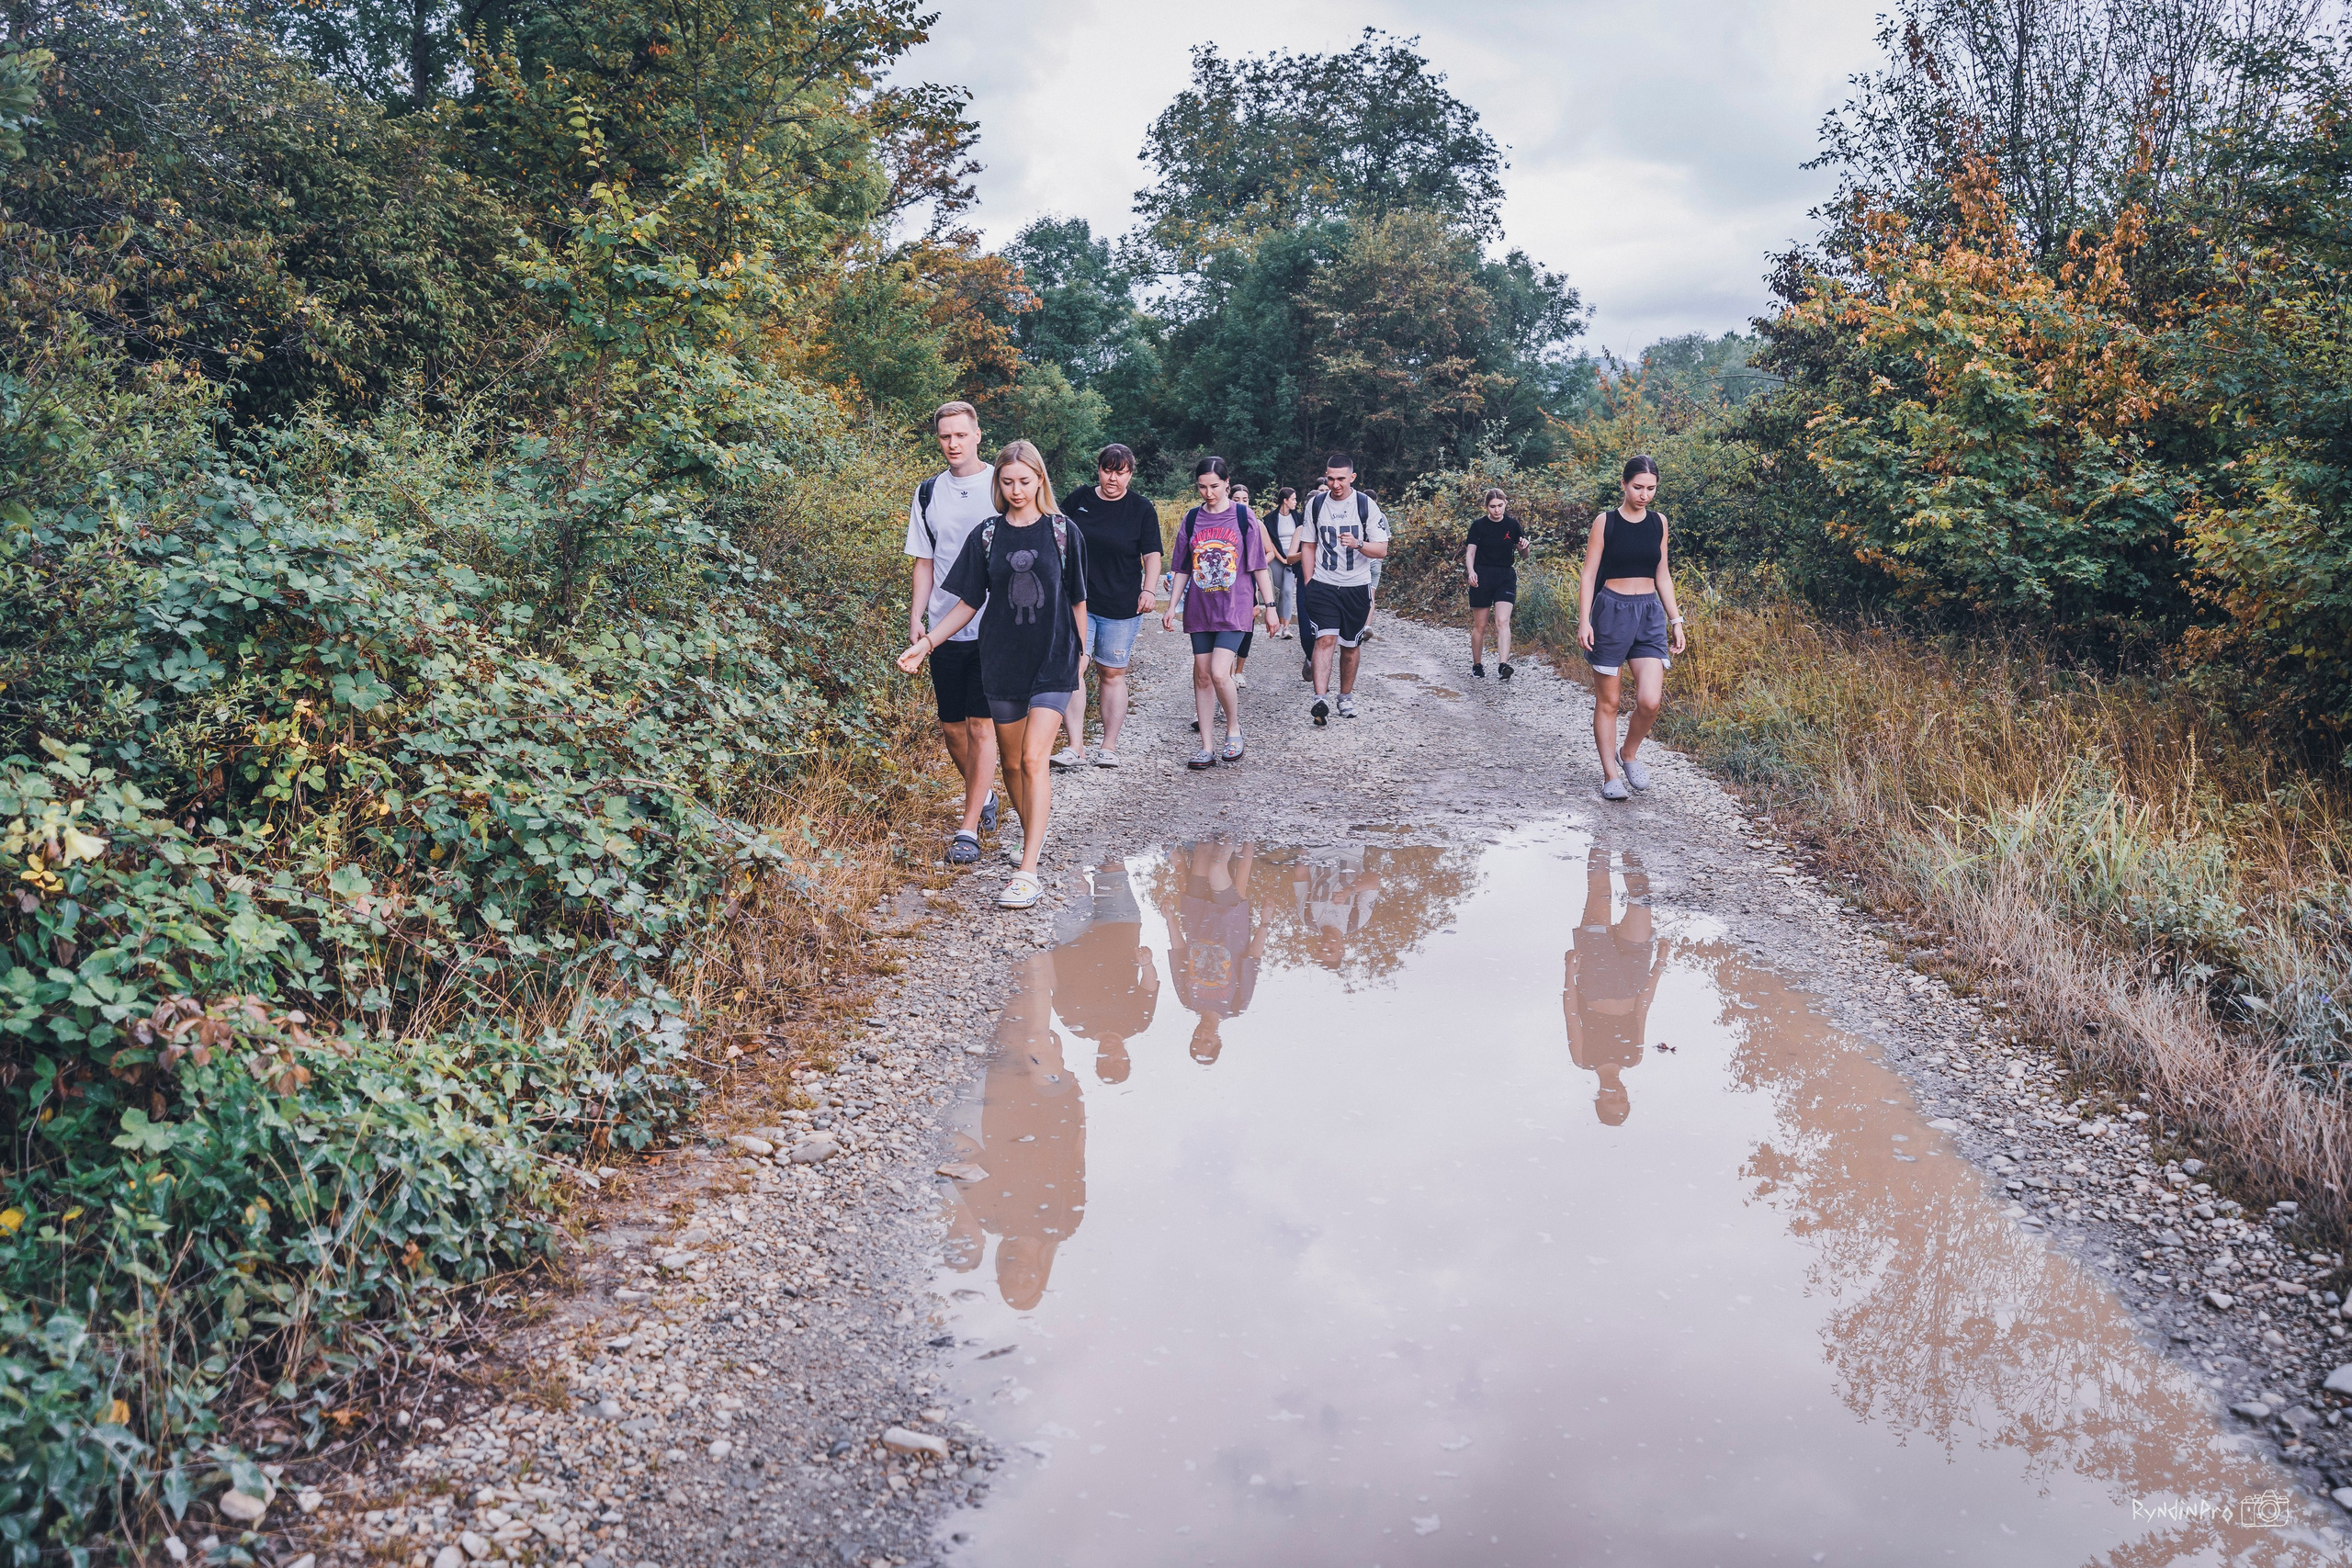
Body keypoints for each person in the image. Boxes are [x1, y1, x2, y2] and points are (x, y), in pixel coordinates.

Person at [896, 440, 1088, 908]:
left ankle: (1028, 870)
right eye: (1007, 482)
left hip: (1052, 658)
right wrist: (926, 644)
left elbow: (1078, 598)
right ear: (997, 485)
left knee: (1035, 757)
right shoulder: (987, 535)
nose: (1017, 490)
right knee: (1012, 763)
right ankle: (1033, 840)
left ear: (1040, 480)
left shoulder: (1063, 532)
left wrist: (1081, 656)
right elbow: (966, 603)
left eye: (1025, 481)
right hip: (1001, 659)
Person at [903, 401, 1002, 866]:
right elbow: (925, 560)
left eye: (961, 435)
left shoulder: (1003, 483)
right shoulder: (928, 493)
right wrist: (917, 618)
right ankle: (982, 796)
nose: (953, 444)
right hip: (944, 627)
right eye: (945, 437)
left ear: (978, 434)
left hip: (995, 626)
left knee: (983, 726)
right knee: (952, 729)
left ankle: (967, 830)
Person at [1577, 455, 1688, 800]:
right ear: (1624, 485)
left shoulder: (1659, 523)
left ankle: (1628, 754)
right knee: (1608, 701)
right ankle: (1610, 775)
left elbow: (1663, 574)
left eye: (1651, 488)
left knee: (1650, 701)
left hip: (1649, 614)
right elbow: (1589, 574)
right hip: (1611, 611)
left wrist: (1676, 620)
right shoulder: (1605, 522)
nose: (1644, 495)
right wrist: (1584, 619)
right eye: (1638, 487)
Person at [1164, 457, 1281, 768]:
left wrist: (1270, 608)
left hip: (1235, 607)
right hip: (1200, 609)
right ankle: (1206, 746)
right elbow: (1181, 569)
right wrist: (1172, 607)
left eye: (1214, 486)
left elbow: (1258, 566)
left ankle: (1233, 728)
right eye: (1202, 487)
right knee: (1202, 676)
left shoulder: (1244, 517)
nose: (1208, 493)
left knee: (1219, 672)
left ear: (1227, 483)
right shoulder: (1191, 520)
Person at [1056, 444, 1161, 771]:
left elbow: (1152, 556)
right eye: (1107, 470)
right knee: (1074, 667)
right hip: (1078, 600)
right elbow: (1054, 535)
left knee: (1111, 673)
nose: (1112, 478)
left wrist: (1149, 590)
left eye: (1121, 472)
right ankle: (1075, 746)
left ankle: (1109, 746)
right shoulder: (1079, 500)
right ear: (1098, 469)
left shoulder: (1141, 508)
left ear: (1130, 474)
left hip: (1122, 603)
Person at [1563, 845, 1667, 1125]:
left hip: (1595, 978)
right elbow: (1642, 1009)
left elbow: (1571, 1014)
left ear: (1598, 1098)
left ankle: (1603, 833)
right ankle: (1631, 837)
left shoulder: (1583, 1059)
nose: (1617, 1095)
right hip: (1634, 978)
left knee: (1600, 894)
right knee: (1642, 897)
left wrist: (1569, 974)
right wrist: (1659, 965)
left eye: (1611, 1101)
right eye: (1623, 1099)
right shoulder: (1634, 1058)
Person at [1297, 452, 1389, 725]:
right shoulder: (1315, 505)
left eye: (1340, 479)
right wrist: (1308, 582)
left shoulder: (1366, 506)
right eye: (1330, 478)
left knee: (1350, 646)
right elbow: (1308, 544)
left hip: (1357, 586)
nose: (1335, 484)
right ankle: (1319, 700)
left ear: (1352, 477)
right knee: (1325, 639)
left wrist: (1358, 544)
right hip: (1324, 584)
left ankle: (1345, 697)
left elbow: (1381, 550)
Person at [1050, 854, 1159, 1084]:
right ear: (1127, 1056)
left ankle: (1063, 834)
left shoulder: (1076, 1026)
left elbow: (1053, 984)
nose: (1111, 1054)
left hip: (1073, 937)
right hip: (1119, 926)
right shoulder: (1138, 1022)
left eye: (1105, 1060)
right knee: (1110, 862)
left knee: (1074, 881)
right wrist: (1147, 965)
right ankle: (1100, 826)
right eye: (1118, 1059)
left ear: (1097, 1058)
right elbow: (1149, 988)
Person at [1166, 838, 1272, 1066]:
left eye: (1196, 1039)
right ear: (1218, 1041)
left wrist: (1170, 920)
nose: (1202, 1034)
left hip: (1196, 916)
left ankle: (1232, 839)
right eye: (1207, 1041)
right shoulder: (1236, 1005)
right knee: (1216, 866)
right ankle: (1237, 835)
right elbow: (1252, 960)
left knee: (1203, 850)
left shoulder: (1187, 999)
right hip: (1229, 920)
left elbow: (1179, 953)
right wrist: (1265, 924)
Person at [1464, 486, 1530, 680]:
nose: (1497, 510)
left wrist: (1525, 547)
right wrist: (1471, 572)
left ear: (1505, 504)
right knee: (1481, 625)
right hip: (1482, 575)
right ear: (1486, 507)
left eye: (1500, 505)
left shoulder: (1512, 525)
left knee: (1502, 621)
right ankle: (1477, 665)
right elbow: (1470, 552)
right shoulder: (1478, 525)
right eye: (1493, 506)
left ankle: (1503, 665)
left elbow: (1523, 555)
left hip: (1505, 577)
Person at [1269, 487, 1303, 637]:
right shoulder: (1270, 518)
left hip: (1292, 559)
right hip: (1277, 558)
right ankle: (1278, 623)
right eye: (1293, 499)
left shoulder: (1298, 518)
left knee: (1288, 591)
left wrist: (1292, 558)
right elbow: (1269, 541)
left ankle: (1285, 628)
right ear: (1285, 500)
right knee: (1280, 591)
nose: (1296, 502)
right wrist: (1281, 558)